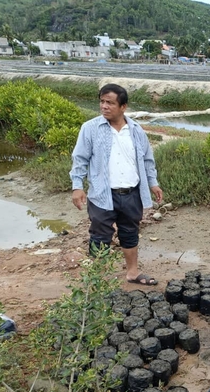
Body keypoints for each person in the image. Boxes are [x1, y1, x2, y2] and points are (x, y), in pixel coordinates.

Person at [70, 83, 163, 286]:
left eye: (110, 103)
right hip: (103, 194)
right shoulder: (90, 128)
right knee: (100, 236)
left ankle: (132, 273)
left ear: (123, 107)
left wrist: (153, 183)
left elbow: (147, 160)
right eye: (102, 102)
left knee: (129, 232)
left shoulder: (137, 131)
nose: (104, 106)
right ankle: (96, 281)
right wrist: (77, 186)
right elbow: (80, 159)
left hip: (131, 194)